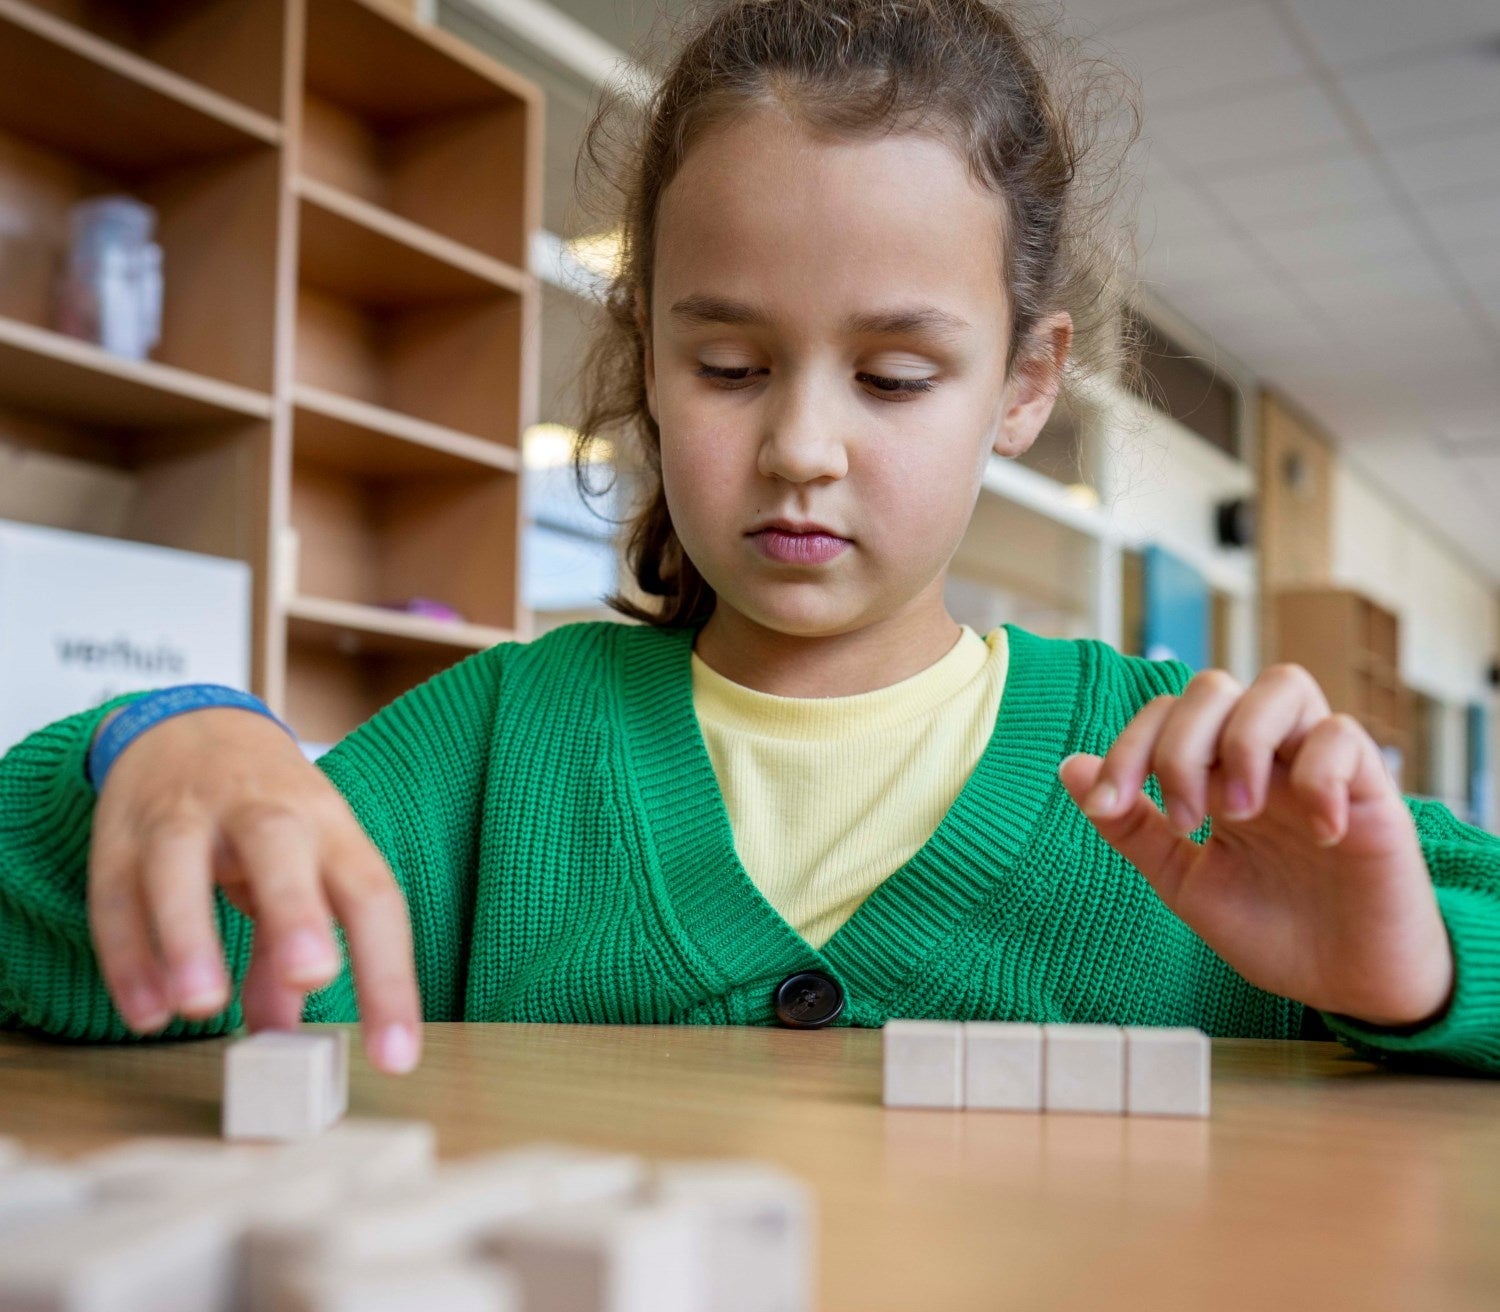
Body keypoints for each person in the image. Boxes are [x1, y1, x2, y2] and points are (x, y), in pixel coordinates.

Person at [2, 0, 1496, 1079]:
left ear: (1024, 388)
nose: (798, 446)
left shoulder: (1189, 784)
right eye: (728, 366)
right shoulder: (503, 745)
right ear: (646, 354)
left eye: (897, 377)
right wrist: (155, 744)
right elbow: (140, 965)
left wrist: (1414, 974)